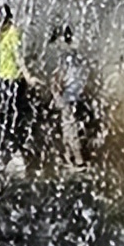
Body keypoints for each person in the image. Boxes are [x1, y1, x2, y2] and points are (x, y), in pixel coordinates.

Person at [0, 5, 40, 175]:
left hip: (12, 81)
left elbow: (19, 56)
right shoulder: (2, 34)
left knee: (2, 118)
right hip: (3, 80)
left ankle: (5, 156)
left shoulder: (13, 33)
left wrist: (28, 77)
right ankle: (9, 155)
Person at [50, 23, 89, 172]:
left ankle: (79, 161)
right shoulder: (77, 54)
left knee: (69, 129)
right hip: (76, 96)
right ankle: (68, 157)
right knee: (68, 127)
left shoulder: (65, 56)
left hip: (68, 96)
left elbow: (60, 75)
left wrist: (54, 89)